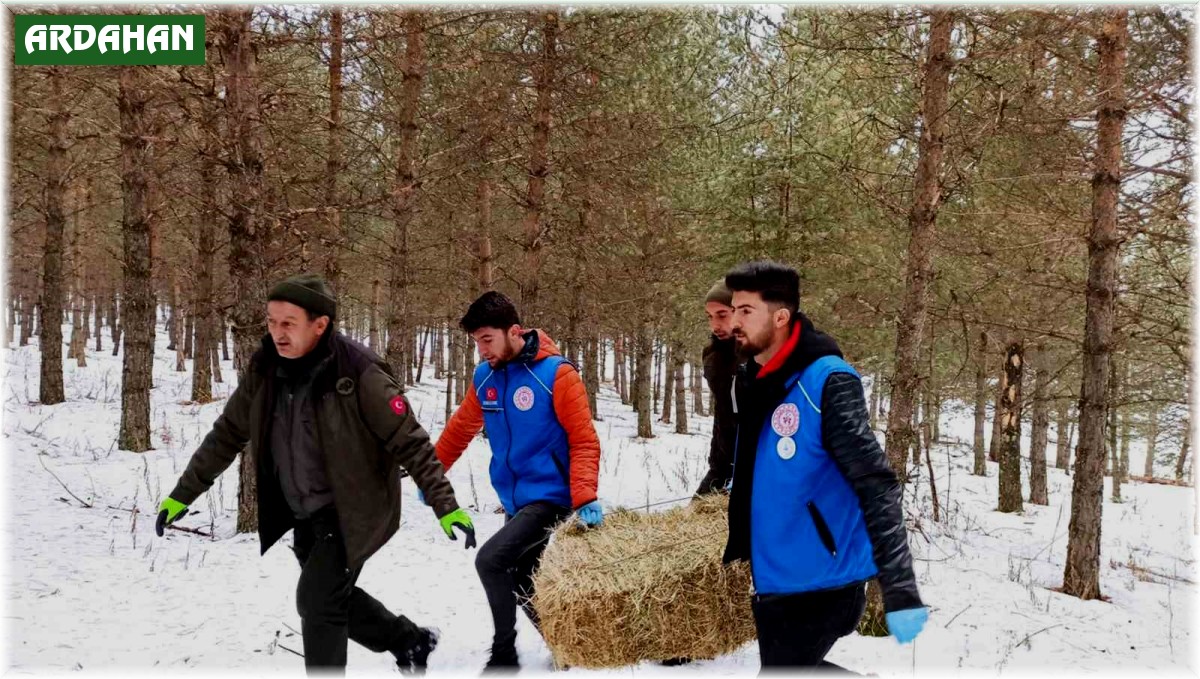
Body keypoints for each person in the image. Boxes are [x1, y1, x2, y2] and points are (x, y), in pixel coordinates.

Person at [155, 274, 476, 675]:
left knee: (317, 601)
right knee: (330, 597)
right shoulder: (265, 369)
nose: (277, 333)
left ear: (319, 324)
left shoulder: (359, 373)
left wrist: (446, 506)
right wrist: (183, 494)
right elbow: (227, 434)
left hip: (354, 508)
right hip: (304, 510)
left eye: (288, 323)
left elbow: (409, 441)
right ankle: (409, 642)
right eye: (271, 322)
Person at [720, 261, 928, 670]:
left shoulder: (828, 382)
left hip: (822, 580)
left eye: (746, 311)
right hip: (777, 574)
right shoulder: (758, 380)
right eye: (734, 309)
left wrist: (900, 589)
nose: (734, 321)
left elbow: (877, 482)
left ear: (780, 317)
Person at [433, 291, 603, 671]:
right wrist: (430, 472)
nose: (482, 350)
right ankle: (567, 648)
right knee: (522, 575)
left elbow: (583, 439)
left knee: (491, 561)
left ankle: (505, 656)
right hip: (514, 498)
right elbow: (461, 428)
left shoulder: (557, 375)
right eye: (476, 342)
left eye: (487, 340)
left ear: (514, 331)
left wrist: (585, 494)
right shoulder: (485, 376)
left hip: (551, 495)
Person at [696, 279, 738, 496]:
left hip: (758, 468)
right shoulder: (712, 356)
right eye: (710, 317)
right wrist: (717, 466)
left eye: (722, 315)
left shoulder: (760, 356)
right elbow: (723, 414)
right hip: (721, 467)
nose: (715, 325)